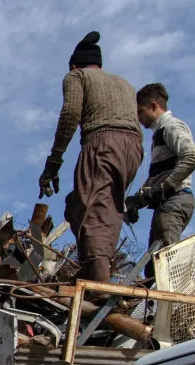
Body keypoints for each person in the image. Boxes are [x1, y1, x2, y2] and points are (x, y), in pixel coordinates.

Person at [38, 31, 144, 283]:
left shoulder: (76, 76)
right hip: (134, 149)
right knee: (84, 205)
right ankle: (91, 265)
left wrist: (54, 162)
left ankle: (99, 283)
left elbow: (70, 114)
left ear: (74, 65)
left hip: (102, 143)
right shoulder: (125, 84)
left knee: (94, 211)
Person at [125, 83, 195, 278]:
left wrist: (164, 188)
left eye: (140, 112)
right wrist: (138, 200)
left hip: (175, 200)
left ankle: (172, 299)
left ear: (153, 106)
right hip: (169, 202)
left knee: (166, 264)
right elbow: (160, 176)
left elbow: (192, 156)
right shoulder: (159, 134)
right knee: (155, 265)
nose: (138, 118)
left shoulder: (170, 126)